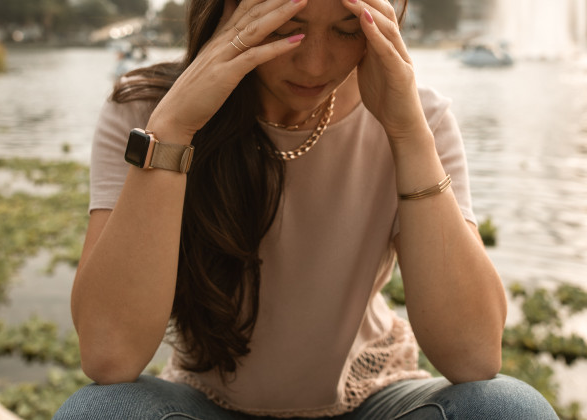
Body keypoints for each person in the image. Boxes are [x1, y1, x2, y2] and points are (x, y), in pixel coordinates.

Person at [54, 0, 559, 418]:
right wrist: (173, 134)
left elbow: (473, 356)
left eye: (347, 31)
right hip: (207, 404)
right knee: (100, 413)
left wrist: (408, 136)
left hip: (369, 402)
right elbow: (109, 354)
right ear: (230, 11)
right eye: (288, 30)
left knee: (509, 408)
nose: (316, 64)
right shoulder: (148, 113)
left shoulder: (417, 118)